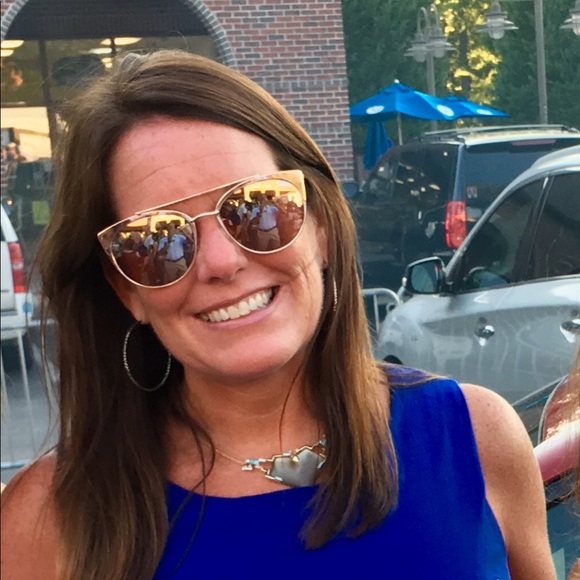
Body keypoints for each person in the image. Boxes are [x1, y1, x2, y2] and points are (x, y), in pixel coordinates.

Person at [0, 50, 555, 580]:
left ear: (321, 227)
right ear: (127, 290)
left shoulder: (476, 439)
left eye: (258, 207)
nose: (222, 262)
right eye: (157, 240)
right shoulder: (47, 521)